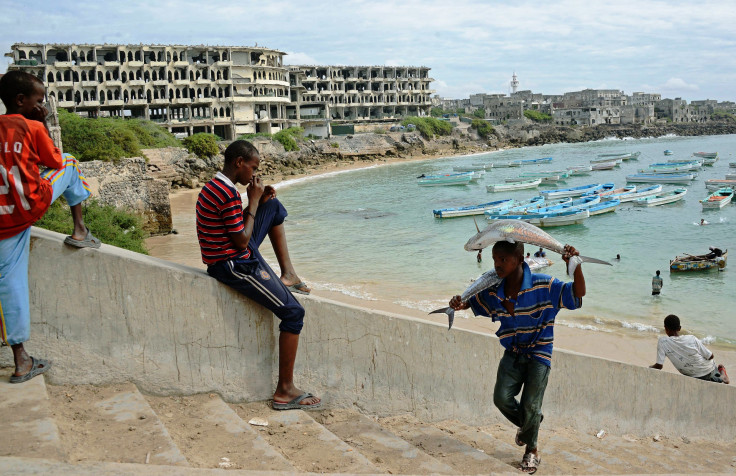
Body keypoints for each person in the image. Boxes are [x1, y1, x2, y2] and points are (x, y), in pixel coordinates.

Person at [195, 139, 320, 410]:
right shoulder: (226, 193)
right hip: (232, 264)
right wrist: (252, 201)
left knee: (273, 207)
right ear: (239, 163)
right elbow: (241, 241)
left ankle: (289, 274)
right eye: (252, 167)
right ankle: (284, 390)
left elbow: (235, 227)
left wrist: (261, 201)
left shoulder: (215, 185)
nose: (254, 174)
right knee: (293, 313)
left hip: (231, 252)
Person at [448, 240, 585, 474]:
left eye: (503, 259)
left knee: (532, 403)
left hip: (540, 351)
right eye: (495, 259)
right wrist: (458, 304)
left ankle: (531, 450)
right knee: (501, 398)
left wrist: (576, 265)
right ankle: (530, 423)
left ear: (520, 259)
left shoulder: (544, 285)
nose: (497, 264)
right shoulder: (494, 293)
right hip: (512, 352)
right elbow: (472, 303)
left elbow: (577, 294)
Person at [0, 71, 100, 383]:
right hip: (27, 207)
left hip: (2, 216)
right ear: (21, 101)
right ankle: (80, 229)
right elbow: (54, 161)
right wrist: (42, 124)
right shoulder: (31, 127)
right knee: (70, 163)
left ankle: (21, 359)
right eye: (39, 100)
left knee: (7, 283)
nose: (42, 105)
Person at [650, 314, 729, 384]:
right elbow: (710, 356)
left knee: (713, 377)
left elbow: (659, 366)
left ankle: (722, 375)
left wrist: (650, 367)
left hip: (693, 376)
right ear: (679, 328)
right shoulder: (692, 338)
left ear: (665, 328)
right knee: (712, 373)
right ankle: (721, 373)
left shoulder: (663, 342)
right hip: (708, 370)